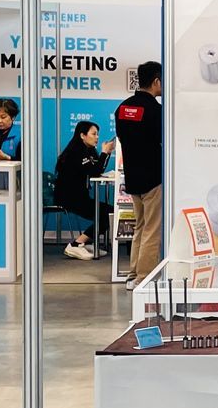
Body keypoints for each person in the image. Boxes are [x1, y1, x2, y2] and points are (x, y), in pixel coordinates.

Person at [113, 62, 164, 290]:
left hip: (133, 177)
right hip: (153, 177)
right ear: (156, 81)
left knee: (140, 226)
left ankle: (133, 274)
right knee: (152, 229)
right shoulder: (156, 111)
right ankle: (144, 278)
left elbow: (123, 138)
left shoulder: (123, 108)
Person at [53, 120, 115, 261]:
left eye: (97, 134)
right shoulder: (76, 151)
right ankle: (76, 244)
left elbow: (98, 169)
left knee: (109, 212)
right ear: (82, 135)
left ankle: (84, 243)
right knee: (106, 215)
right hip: (69, 198)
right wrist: (104, 152)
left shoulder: (89, 150)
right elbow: (95, 171)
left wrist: (106, 153)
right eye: (93, 134)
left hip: (80, 196)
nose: (97, 137)